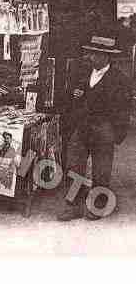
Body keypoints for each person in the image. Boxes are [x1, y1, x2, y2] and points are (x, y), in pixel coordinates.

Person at [58, 35, 132, 221]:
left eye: (95, 55)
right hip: (81, 127)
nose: (91, 57)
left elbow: (124, 109)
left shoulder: (119, 79)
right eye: (91, 53)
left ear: (107, 56)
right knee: (74, 166)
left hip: (104, 129)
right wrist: (74, 96)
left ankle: (97, 207)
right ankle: (72, 206)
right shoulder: (83, 72)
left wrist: (116, 135)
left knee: (101, 170)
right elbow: (72, 95)